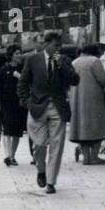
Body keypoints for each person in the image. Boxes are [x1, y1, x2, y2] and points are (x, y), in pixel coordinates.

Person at [17, 32, 79, 194]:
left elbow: (75, 80)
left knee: (57, 146)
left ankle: (51, 182)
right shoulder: (32, 60)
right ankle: (41, 169)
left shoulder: (64, 60)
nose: (58, 49)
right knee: (39, 144)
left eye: (60, 46)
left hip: (58, 107)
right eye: (55, 46)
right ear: (46, 45)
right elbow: (23, 83)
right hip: (37, 107)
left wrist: (61, 64)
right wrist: (26, 102)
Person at [70, 43, 105, 164]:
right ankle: (94, 156)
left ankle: (86, 157)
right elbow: (103, 80)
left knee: (82, 127)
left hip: (77, 99)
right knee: (97, 126)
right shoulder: (94, 61)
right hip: (94, 99)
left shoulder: (74, 62)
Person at [0, 47, 27, 166]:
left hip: (19, 104)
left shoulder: (23, 69)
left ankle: (13, 155)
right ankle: (7, 156)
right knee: (7, 130)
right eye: (17, 53)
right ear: (11, 56)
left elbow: (27, 83)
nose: (19, 55)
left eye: (20, 53)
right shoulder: (4, 69)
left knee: (17, 132)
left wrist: (19, 76)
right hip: (6, 104)